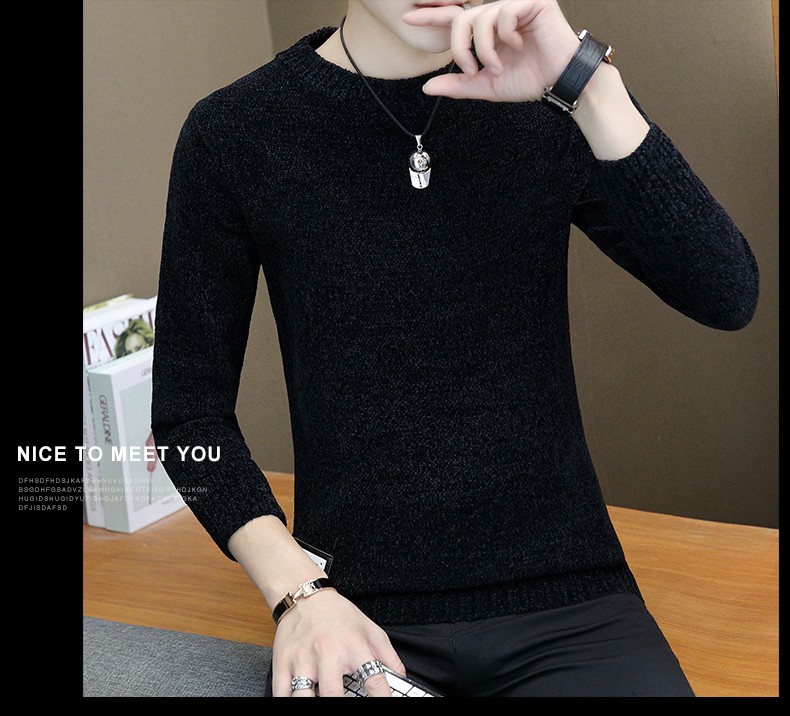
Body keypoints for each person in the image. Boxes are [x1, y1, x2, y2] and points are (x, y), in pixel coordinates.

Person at [150, 0, 759, 698]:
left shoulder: (551, 99)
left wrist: (585, 83)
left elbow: (726, 293)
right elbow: (188, 420)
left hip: (569, 601)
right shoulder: (235, 131)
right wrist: (298, 593)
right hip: (352, 610)